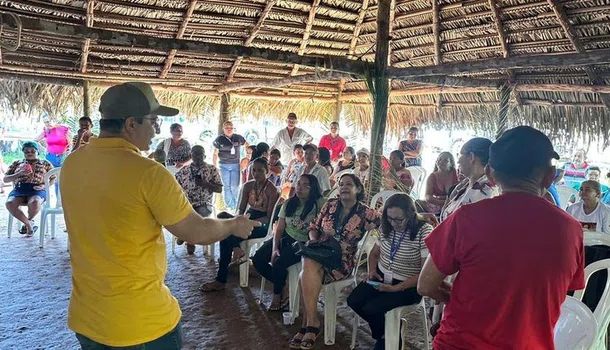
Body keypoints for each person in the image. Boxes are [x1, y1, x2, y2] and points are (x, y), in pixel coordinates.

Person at [60, 82, 259, 349]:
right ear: (131, 124)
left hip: (87, 318)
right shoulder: (148, 173)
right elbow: (196, 231)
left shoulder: (73, 164)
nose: (157, 128)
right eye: (153, 121)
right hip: (140, 323)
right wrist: (233, 224)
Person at [418, 126, 585, 349]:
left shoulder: (466, 218)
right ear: (549, 177)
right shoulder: (572, 230)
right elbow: (556, 290)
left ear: (490, 174)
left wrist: (455, 298)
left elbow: (426, 285)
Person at [289, 174, 380, 349]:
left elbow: (385, 224)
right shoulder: (330, 205)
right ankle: (311, 324)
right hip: (320, 251)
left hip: (342, 261)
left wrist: (372, 227)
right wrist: (314, 240)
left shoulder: (366, 212)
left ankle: (309, 323)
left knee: (306, 268)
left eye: (349, 184)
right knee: (308, 263)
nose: (344, 187)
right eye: (341, 184)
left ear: (358, 189)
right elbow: (313, 227)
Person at [347, 193, 432, 350]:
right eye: (390, 218)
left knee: (372, 308)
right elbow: (373, 253)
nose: (394, 223)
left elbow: (425, 272)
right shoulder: (386, 226)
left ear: (411, 214)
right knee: (354, 300)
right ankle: (386, 332)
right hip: (382, 276)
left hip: (409, 284)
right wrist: (372, 271)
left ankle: (386, 338)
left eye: (399, 219)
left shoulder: (423, 231)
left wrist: (395, 288)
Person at [200, 157, 280, 292]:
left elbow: (269, 217)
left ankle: (221, 278)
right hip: (247, 217)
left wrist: (248, 223)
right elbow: (241, 209)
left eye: (260, 170)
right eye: (254, 170)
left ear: (267, 172)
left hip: (261, 224)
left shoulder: (272, 190)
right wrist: (238, 220)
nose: (256, 173)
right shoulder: (248, 186)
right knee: (223, 217)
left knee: (226, 235)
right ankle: (236, 249)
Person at [252, 174, 324, 311]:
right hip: (286, 236)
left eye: (305, 185)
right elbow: (279, 229)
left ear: (313, 188)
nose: (300, 188)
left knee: (279, 262)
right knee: (258, 259)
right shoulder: (289, 203)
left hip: (304, 243)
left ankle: (277, 295)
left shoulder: (319, 204)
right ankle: (284, 284)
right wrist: (274, 248)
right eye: (298, 184)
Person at [175, 145, 223, 254]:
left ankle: (187, 238)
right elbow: (173, 186)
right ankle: (188, 237)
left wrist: (206, 184)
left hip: (204, 205)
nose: (197, 156)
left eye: (200, 154)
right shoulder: (184, 170)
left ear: (204, 156)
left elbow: (219, 189)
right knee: (181, 212)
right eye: (195, 154)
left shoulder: (211, 169)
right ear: (191, 155)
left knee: (195, 214)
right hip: (186, 204)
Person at [440, 137, 498, 222]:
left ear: (471, 157)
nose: (458, 161)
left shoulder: (485, 192)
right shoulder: (465, 184)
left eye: (460, 155)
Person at [4, 141, 53, 236]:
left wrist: (44, 186)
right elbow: (5, 179)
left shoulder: (45, 163)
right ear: (23, 152)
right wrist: (19, 174)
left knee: (34, 202)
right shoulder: (17, 163)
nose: (29, 153)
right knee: (9, 203)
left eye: (32, 151)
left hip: (37, 189)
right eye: (26, 151)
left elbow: (53, 178)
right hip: (19, 189)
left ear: (37, 152)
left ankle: (28, 221)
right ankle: (29, 225)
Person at [213, 121, 247, 212]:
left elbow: (247, 145)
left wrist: (247, 158)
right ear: (223, 129)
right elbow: (215, 154)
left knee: (235, 186)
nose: (229, 129)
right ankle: (230, 207)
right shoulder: (219, 139)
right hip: (223, 165)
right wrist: (215, 167)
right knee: (226, 186)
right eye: (227, 128)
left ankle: (236, 206)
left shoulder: (238, 138)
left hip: (236, 164)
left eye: (231, 128)